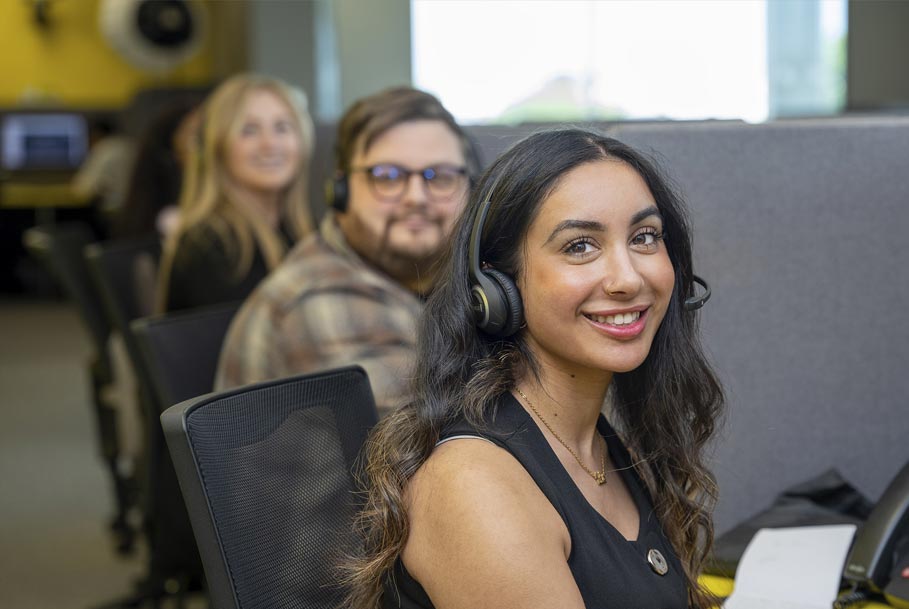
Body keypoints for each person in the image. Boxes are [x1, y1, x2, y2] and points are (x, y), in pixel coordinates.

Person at [346, 129, 725, 609]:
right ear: (499, 285)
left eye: (644, 237)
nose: (628, 278)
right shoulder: (474, 489)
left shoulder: (600, 446)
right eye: (580, 246)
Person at [216, 86, 479, 415]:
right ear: (339, 192)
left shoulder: (434, 278)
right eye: (387, 176)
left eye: (440, 176)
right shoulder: (319, 299)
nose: (417, 197)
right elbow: (428, 446)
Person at [156, 73, 315, 312]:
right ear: (218, 147)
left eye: (282, 127)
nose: (270, 144)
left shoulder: (296, 230)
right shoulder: (212, 246)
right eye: (249, 130)